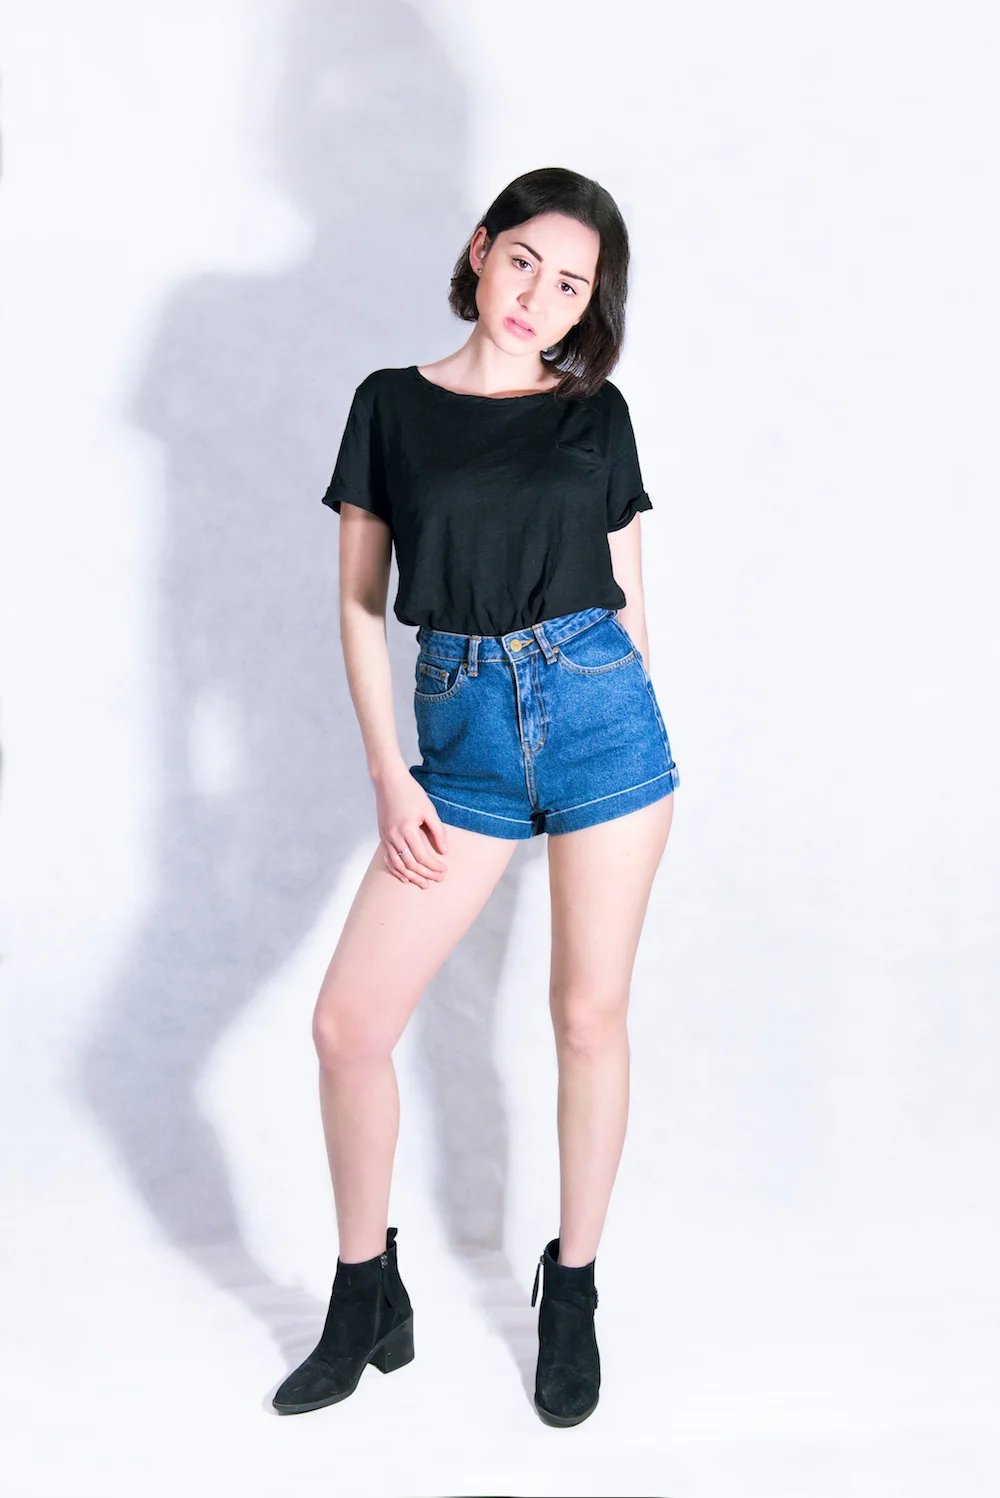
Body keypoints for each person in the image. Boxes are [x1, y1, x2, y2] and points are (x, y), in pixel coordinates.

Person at [272, 166, 680, 1427]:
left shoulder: (597, 414)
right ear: (480, 249)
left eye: (570, 286)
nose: (537, 298)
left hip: (600, 713)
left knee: (585, 1017)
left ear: (588, 307)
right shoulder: (390, 406)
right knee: (348, 1025)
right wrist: (389, 770)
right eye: (523, 263)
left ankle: (572, 1288)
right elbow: (358, 602)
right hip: (460, 740)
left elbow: (629, 594)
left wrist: (630, 731)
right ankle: (365, 1291)